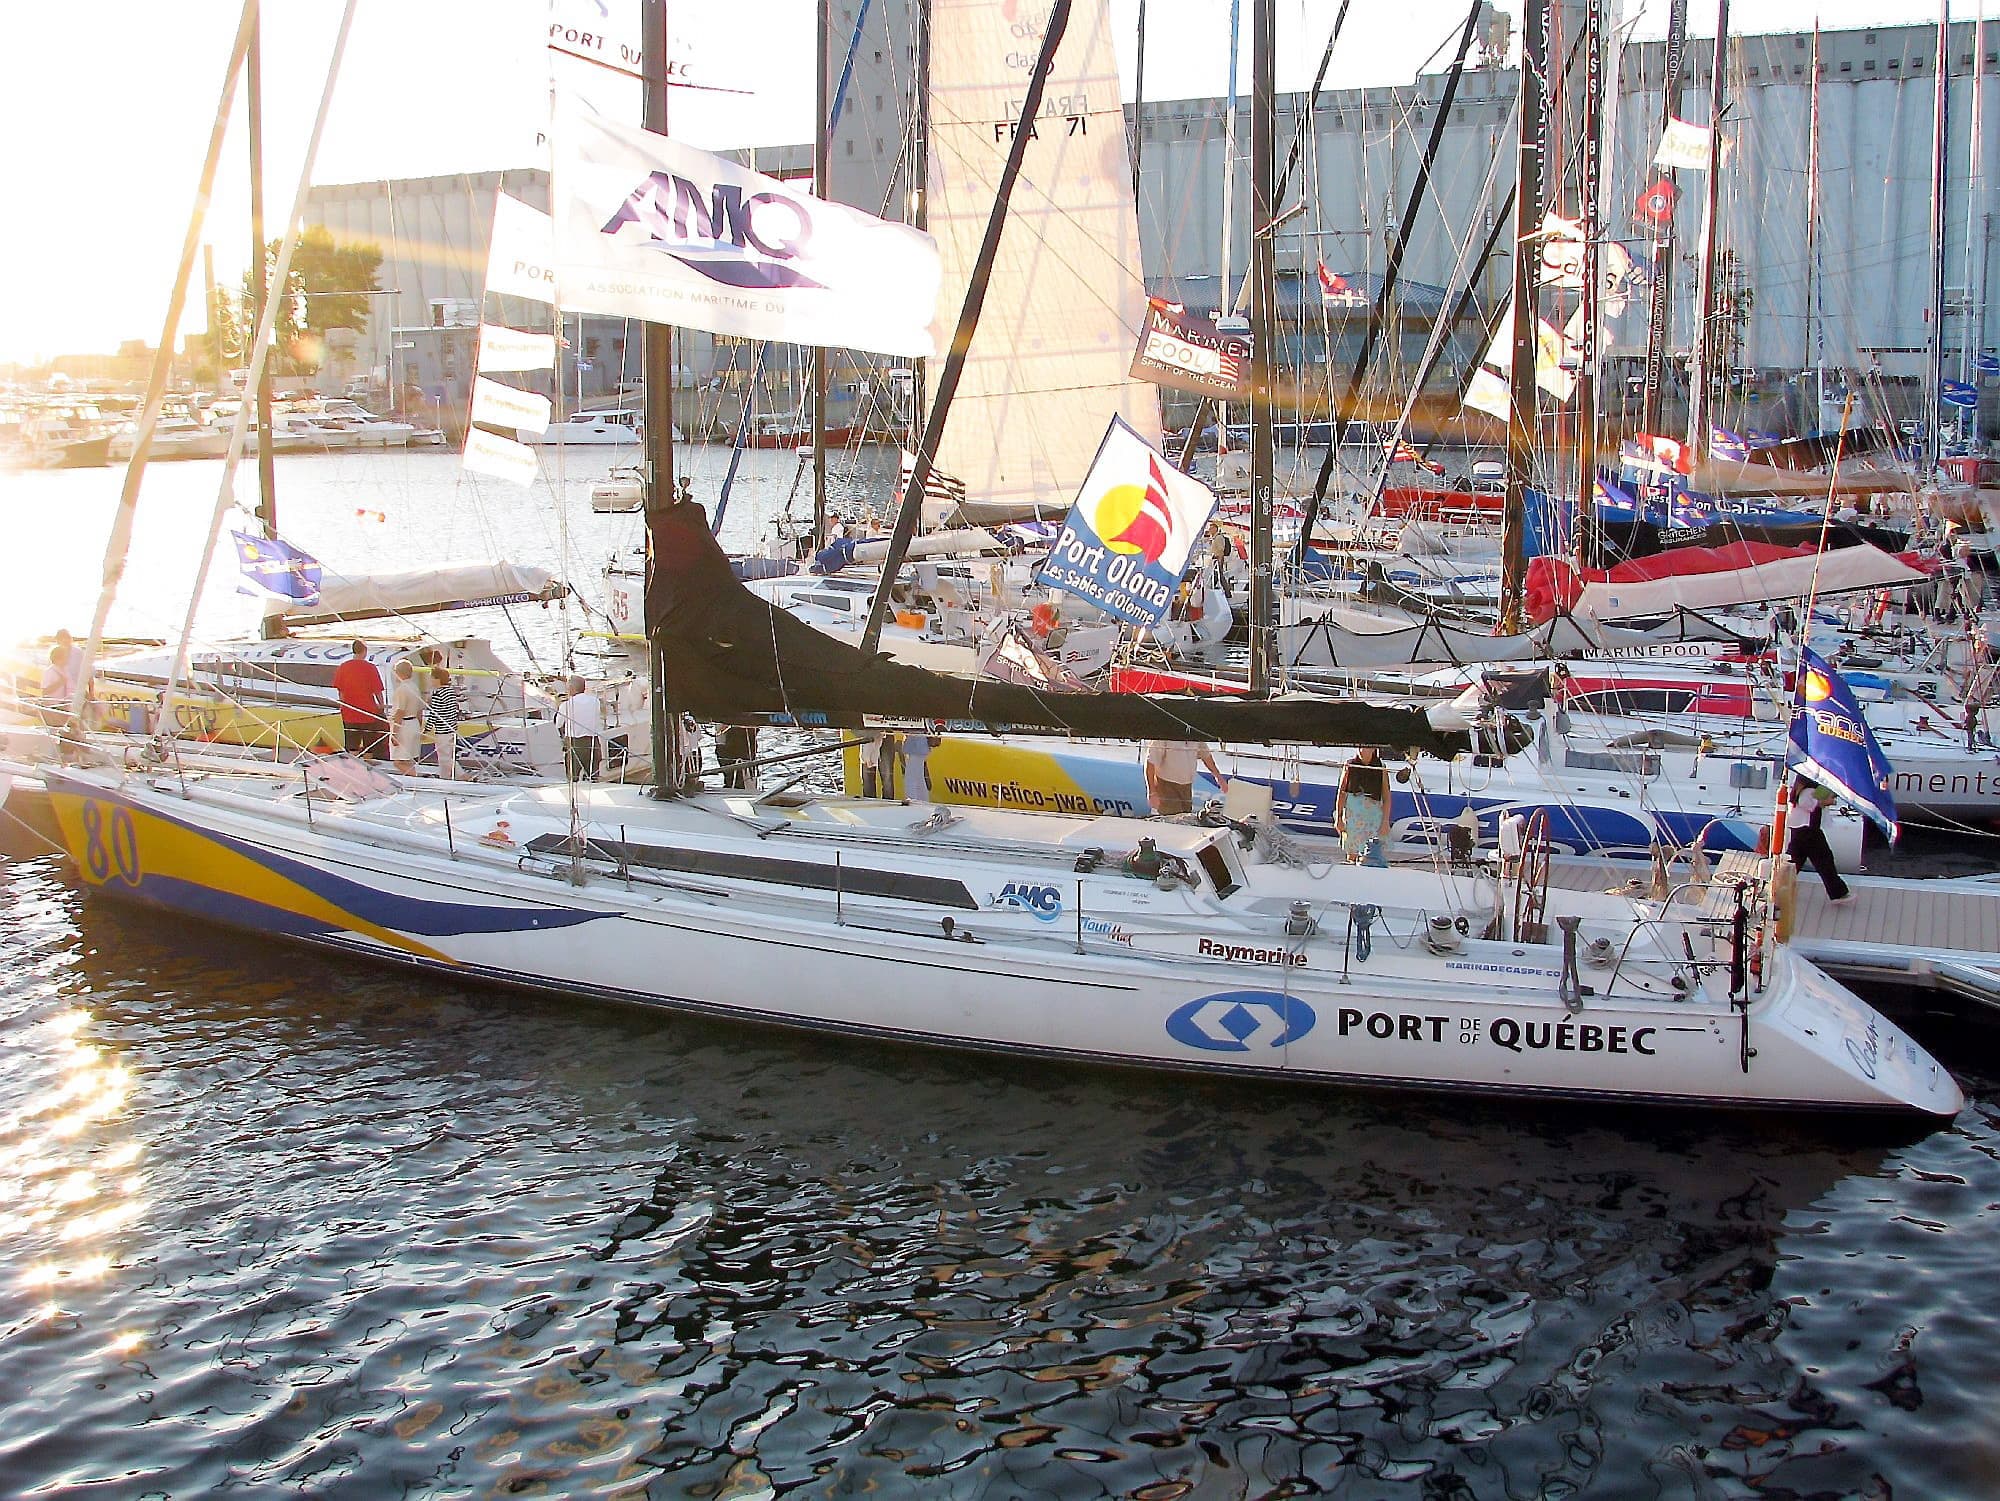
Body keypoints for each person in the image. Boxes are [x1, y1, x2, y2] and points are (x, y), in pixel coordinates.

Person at [1787, 776, 1851, 902]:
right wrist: (1829, 800)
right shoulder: (1807, 792)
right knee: (1824, 860)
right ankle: (1838, 893)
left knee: (1795, 862)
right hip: (1808, 831)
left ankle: (1779, 887)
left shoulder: (1803, 791)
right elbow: (1811, 804)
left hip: (1801, 830)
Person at [1335, 746, 1394, 867]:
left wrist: (1385, 822)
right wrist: (1338, 818)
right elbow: (1341, 792)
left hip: (1373, 815)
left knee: (1373, 852)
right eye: (1360, 747)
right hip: (1353, 815)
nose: (1363, 750)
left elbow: (1386, 796)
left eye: (1367, 747)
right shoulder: (1350, 764)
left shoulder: (1380, 766)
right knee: (1352, 852)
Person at [331, 640, 386, 758]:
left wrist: (343, 706)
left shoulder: (343, 667)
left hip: (349, 712)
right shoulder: (371, 668)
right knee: (369, 747)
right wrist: (381, 705)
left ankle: (354, 770)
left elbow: (341, 691)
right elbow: (377, 691)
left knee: (352, 746)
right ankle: (367, 769)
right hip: (368, 712)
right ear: (364, 651)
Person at [1144, 739, 1224, 816]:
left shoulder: (1194, 733)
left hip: (1187, 787)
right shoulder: (1164, 736)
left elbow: (1206, 755)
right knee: (1172, 820)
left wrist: (1218, 777)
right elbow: (1150, 763)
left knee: (1185, 818)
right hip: (1166, 786)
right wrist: (1152, 792)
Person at [556, 675, 603, 782]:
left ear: (572, 688)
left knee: (573, 778)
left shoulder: (566, 705)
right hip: (593, 742)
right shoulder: (595, 701)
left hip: (575, 743)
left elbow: (558, 724)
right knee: (593, 776)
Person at [424, 665, 463, 779]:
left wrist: (426, 730)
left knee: (444, 757)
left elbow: (434, 714)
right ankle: (444, 777)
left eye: (431, 677)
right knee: (447, 755)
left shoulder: (438, 694)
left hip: (442, 730)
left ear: (437, 679)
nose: (430, 680)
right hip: (451, 728)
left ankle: (462, 775)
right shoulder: (450, 692)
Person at [387, 659, 425, 774]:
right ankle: (413, 779)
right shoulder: (415, 687)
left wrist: (394, 734)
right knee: (409, 760)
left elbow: (400, 712)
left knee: (398, 761)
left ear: (398, 673)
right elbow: (419, 710)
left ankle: (416, 777)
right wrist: (420, 727)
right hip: (414, 724)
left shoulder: (402, 690)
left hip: (404, 726)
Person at [717, 723, 759, 790]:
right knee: (734, 775)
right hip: (731, 739)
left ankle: (739, 787)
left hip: (740, 735)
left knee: (742, 775)